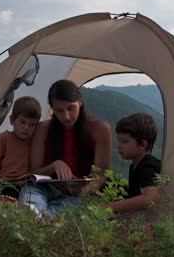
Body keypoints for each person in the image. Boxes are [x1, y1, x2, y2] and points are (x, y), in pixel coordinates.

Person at [19, 80, 112, 216]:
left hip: (80, 190)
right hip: (47, 184)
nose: (66, 116)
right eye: (59, 110)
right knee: (30, 193)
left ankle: (41, 218)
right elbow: (34, 172)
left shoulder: (99, 129)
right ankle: (36, 213)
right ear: (52, 108)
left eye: (71, 108)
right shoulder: (43, 129)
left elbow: (101, 175)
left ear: (80, 102)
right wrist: (54, 166)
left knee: (61, 211)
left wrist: (79, 192)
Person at [0, 96, 42, 199]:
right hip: (2, 184)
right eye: (23, 122)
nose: (26, 128)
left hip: (23, 188)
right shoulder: (4, 138)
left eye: (32, 124)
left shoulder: (34, 142)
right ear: (12, 120)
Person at [105, 113, 162, 214]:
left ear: (142, 144)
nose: (119, 146)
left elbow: (149, 199)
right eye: (119, 141)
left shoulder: (148, 167)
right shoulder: (135, 165)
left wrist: (110, 207)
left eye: (125, 142)